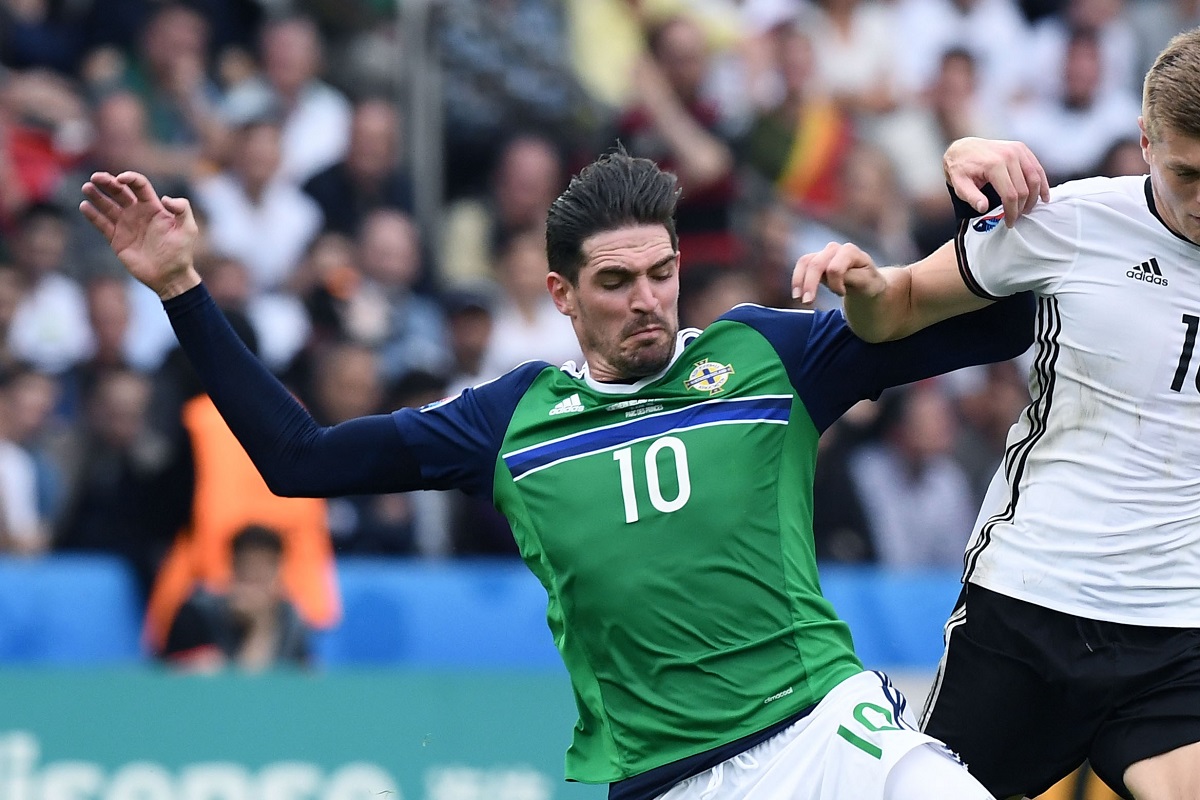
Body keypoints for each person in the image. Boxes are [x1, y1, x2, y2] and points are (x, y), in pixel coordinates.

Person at [79, 143, 1036, 799]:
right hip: (671, 776)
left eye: (660, 272)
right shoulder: (512, 420)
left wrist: (974, 200)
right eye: (615, 283)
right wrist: (181, 289)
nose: (647, 300)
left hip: (829, 728)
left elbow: (1002, 322)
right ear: (562, 296)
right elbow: (298, 460)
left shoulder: (765, 355)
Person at [791, 27, 1200, 800]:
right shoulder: (1070, 223)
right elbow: (901, 306)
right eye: (1188, 173)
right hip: (1030, 605)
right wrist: (868, 288)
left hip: (1178, 629)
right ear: (1146, 143)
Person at [161, 523, 312, 672]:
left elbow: (301, 675)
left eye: (263, 572)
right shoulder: (197, 614)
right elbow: (167, 674)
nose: (254, 581)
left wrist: (261, 626)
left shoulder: (291, 619)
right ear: (233, 568)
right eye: (248, 569)